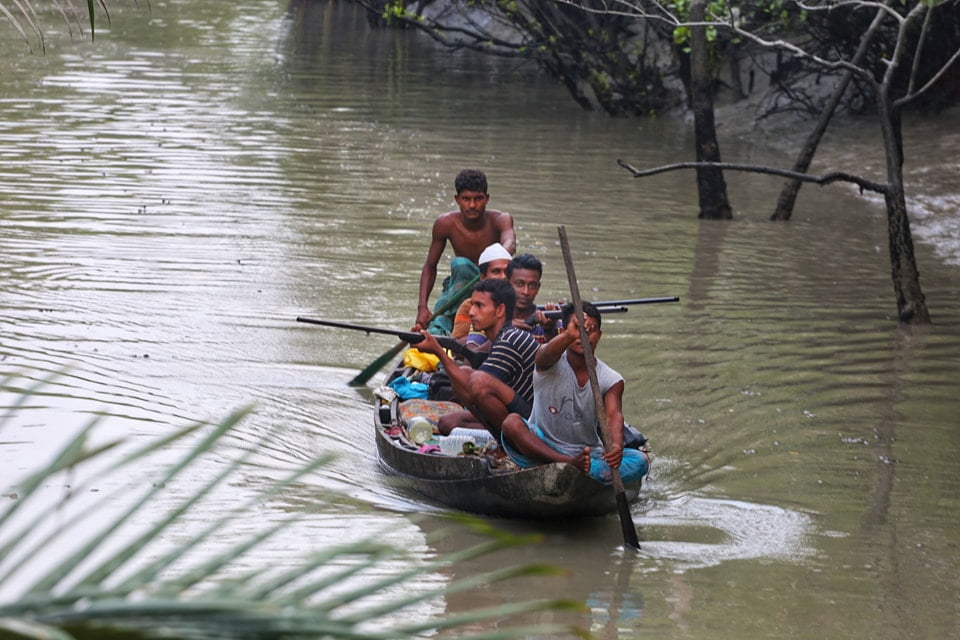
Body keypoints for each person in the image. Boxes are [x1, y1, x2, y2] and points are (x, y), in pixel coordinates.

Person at [500, 302, 649, 485]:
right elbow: (542, 356)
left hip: (588, 455)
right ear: (565, 331)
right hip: (542, 445)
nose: (583, 335)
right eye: (577, 329)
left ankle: (589, 469)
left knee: (640, 461)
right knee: (511, 423)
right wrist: (570, 334)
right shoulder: (549, 362)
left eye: (590, 330)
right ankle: (570, 464)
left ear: (599, 336)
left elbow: (613, 416)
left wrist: (616, 446)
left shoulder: (611, 378)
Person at [416, 278, 539, 440]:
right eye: (472, 304)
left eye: (479, 306)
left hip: (533, 421)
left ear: (500, 311)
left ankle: (510, 444)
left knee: (474, 381)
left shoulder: (510, 339)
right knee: (447, 422)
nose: (472, 312)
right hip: (514, 413)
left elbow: (476, 386)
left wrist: (438, 351)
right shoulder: (501, 338)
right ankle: (500, 438)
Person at [415, 170, 516, 333]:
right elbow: (430, 266)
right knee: (460, 265)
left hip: (493, 283)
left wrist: (502, 252)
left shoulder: (500, 219)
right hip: (459, 287)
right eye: (466, 199)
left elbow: (509, 241)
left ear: (487, 199)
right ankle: (445, 327)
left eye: (478, 199)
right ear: (457, 199)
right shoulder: (445, 224)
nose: (472, 205)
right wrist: (422, 307)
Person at [451, 242, 511, 340]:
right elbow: (456, 343)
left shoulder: (520, 304)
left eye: (507, 272)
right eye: (496, 272)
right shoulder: (469, 306)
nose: (503, 277)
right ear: (483, 278)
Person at [506, 253, 559, 343]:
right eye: (519, 284)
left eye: (532, 285)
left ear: (538, 288)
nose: (526, 292)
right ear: (507, 284)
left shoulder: (552, 322)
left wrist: (549, 330)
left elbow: (559, 356)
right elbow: (475, 351)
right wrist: (505, 330)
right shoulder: (491, 318)